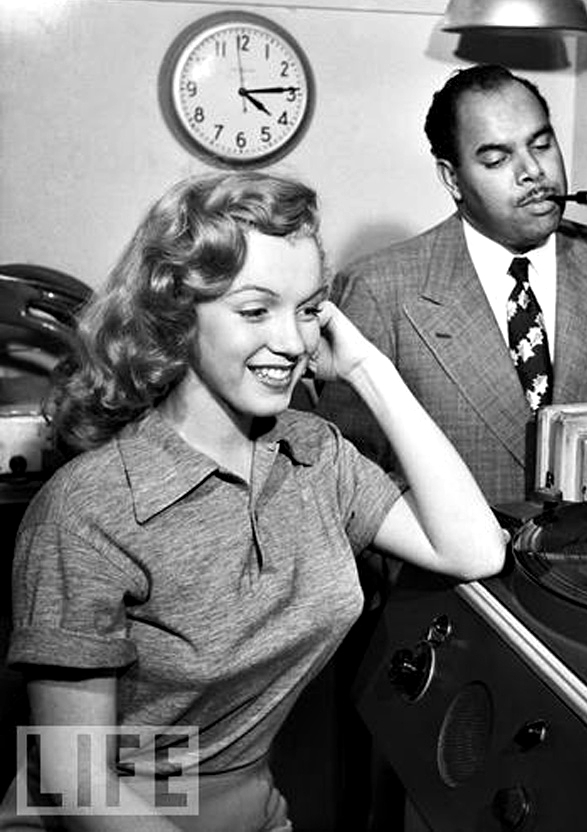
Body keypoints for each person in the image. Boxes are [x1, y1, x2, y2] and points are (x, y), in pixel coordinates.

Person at [0, 171, 506, 831]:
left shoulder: (315, 454)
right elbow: (75, 780)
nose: (292, 343)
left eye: (308, 309)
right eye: (255, 310)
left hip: (251, 805)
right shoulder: (87, 510)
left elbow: (472, 549)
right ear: (177, 315)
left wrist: (368, 369)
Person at [317, 64, 587, 509]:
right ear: (452, 179)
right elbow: (350, 485)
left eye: (541, 145)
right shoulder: (377, 291)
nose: (533, 171)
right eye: (496, 159)